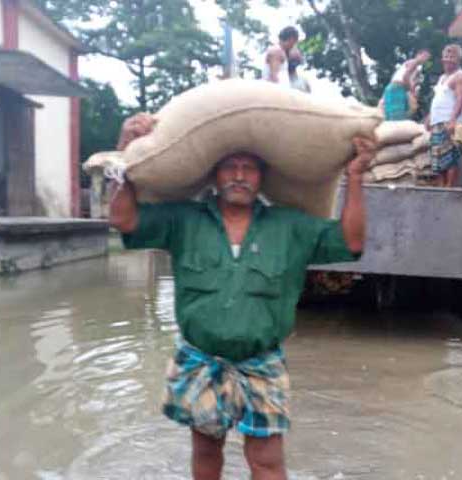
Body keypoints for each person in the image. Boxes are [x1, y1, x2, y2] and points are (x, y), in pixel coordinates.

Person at [109, 113, 374, 480]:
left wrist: (355, 178)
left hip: (261, 363)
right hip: (200, 359)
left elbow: (351, 242)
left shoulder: (290, 226)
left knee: (267, 462)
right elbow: (124, 221)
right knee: (206, 453)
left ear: (262, 177)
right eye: (229, 167)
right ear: (213, 175)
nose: (239, 176)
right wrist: (123, 157)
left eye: (249, 168)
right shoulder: (184, 220)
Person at [425, 44, 462, 188]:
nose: (448, 59)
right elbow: (438, 100)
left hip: (449, 121)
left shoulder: (460, 76)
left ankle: (449, 187)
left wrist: (453, 120)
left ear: (459, 59)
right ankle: (442, 188)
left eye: (452, 56)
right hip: (437, 122)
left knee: (450, 156)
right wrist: (429, 117)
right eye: (446, 56)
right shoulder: (442, 78)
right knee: (438, 158)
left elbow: (460, 99)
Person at [378, 49, 430, 120]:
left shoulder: (415, 67)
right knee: (397, 115)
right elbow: (405, 76)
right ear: (418, 55)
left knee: (391, 114)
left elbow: (410, 79)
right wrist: (411, 90)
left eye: (427, 58)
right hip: (398, 87)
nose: (425, 59)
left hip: (394, 87)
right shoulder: (414, 62)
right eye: (424, 56)